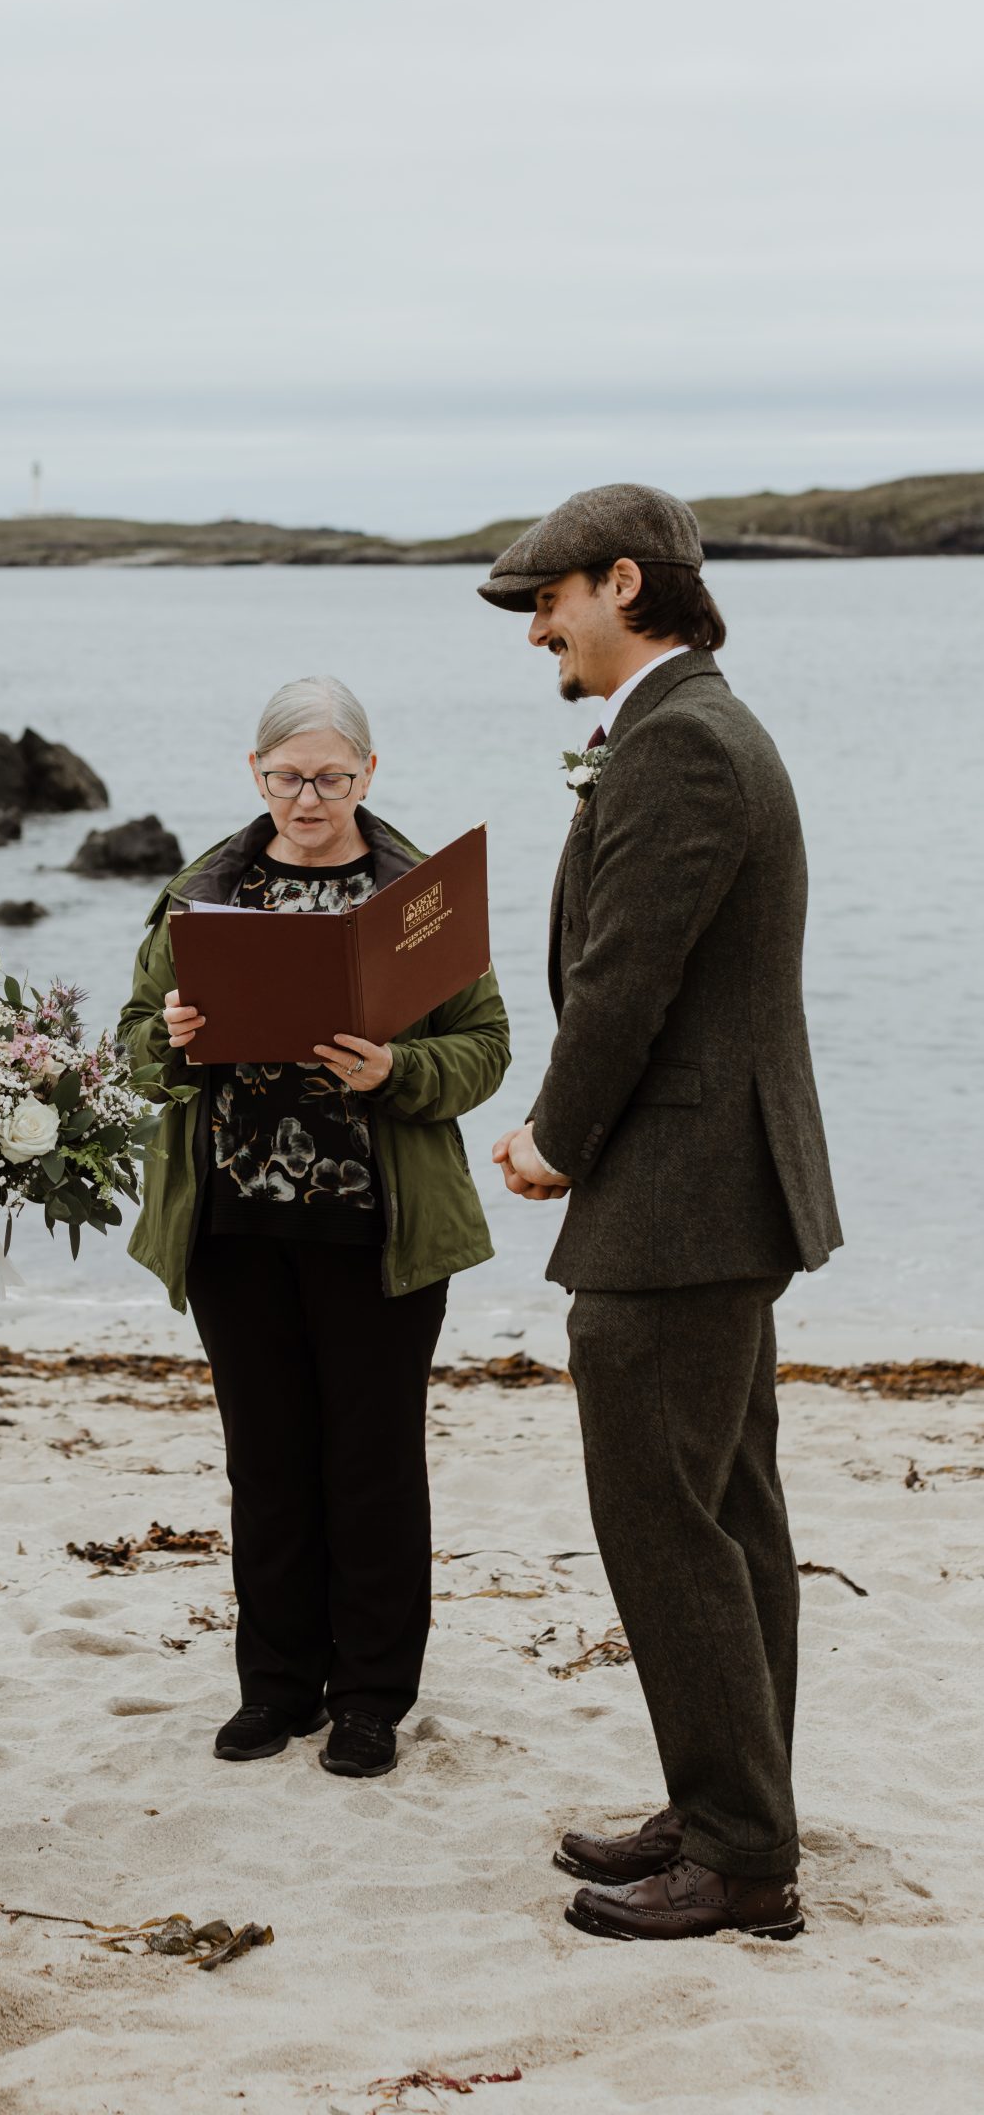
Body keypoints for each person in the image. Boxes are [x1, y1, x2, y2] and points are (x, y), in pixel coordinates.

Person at [480, 483, 842, 1945]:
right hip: (718, 1185)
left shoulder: (681, 744)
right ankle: (727, 1807)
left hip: (683, 1196)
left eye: (548, 602)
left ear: (622, 583)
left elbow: (630, 978)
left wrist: (556, 1139)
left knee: (667, 1523)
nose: (538, 635)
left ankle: (744, 1859)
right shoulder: (701, 724)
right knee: (731, 1511)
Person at [119, 676, 509, 1781]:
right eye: (287, 777)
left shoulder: (416, 894)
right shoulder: (203, 890)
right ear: (255, 775)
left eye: (331, 777)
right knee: (270, 1466)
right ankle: (276, 1689)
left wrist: (398, 1068)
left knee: (374, 1467)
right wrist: (177, 1039)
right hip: (235, 1230)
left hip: (377, 1231)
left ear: (369, 775)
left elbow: (484, 1047)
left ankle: (372, 1699)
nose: (308, 797)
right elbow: (134, 1041)